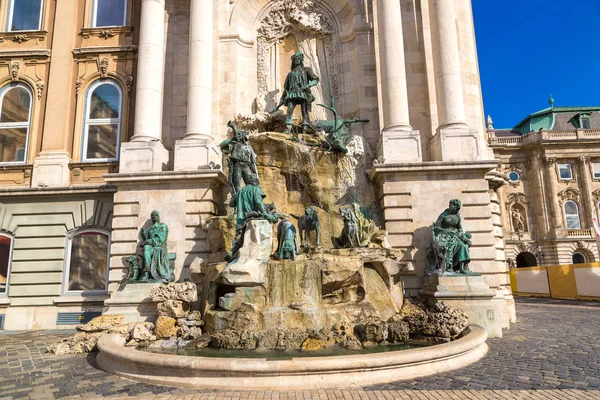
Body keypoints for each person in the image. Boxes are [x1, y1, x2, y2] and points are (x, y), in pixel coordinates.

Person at [225, 174, 281, 261]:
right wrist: (265, 213)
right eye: (256, 181)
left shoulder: (240, 191)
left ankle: (232, 252)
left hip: (241, 219)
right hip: (252, 216)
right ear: (254, 181)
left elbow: (231, 204)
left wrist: (236, 197)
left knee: (240, 236)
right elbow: (259, 202)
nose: (257, 182)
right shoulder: (256, 189)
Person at [271, 51, 320, 134]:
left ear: (301, 60)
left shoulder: (306, 70)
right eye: (295, 59)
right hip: (292, 94)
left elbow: (315, 79)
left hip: (303, 93)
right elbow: (286, 89)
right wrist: (281, 101)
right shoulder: (290, 74)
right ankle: (288, 126)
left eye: (298, 59)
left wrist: (308, 86)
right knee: (289, 109)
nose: (296, 60)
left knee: (304, 111)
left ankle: (305, 126)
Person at [430, 199, 474, 275]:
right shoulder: (444, 214)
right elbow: (436, 226)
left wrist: (462, 235)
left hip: (454, 236)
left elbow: (460, 229)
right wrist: (445, 231)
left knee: (463, 246)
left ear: (456, 207)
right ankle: (447, 267)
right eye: (450, 204)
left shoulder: (457, 217)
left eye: (452, 205)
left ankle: (462, 268)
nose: (450, 206)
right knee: (446, 246)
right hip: (444, 236)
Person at [220, 121, 258, 194]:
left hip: (246, 166)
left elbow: (253, 162)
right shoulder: (234, 144)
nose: (239, 136)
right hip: (237, 165)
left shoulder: (249, 148)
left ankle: (251, 200)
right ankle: (238, 201)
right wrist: (232, 138)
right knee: (236, 184)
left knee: (251, 184)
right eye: (238, 134)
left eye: (240, 134)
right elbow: (222, 145)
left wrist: (256, 173)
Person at [140, 210, 173, 282]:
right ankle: (146, 270)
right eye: (152, 216)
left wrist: (150, 241)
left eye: (155, 216)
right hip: (151, 247)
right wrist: (143, 235)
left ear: (158, 217)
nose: (153, 217)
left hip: (160, 247)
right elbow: (146, 239)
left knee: (149, 247)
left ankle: (152, 271)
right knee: (146, 247)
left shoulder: (163, 226)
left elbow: (162, 239)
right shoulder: (149, 229)